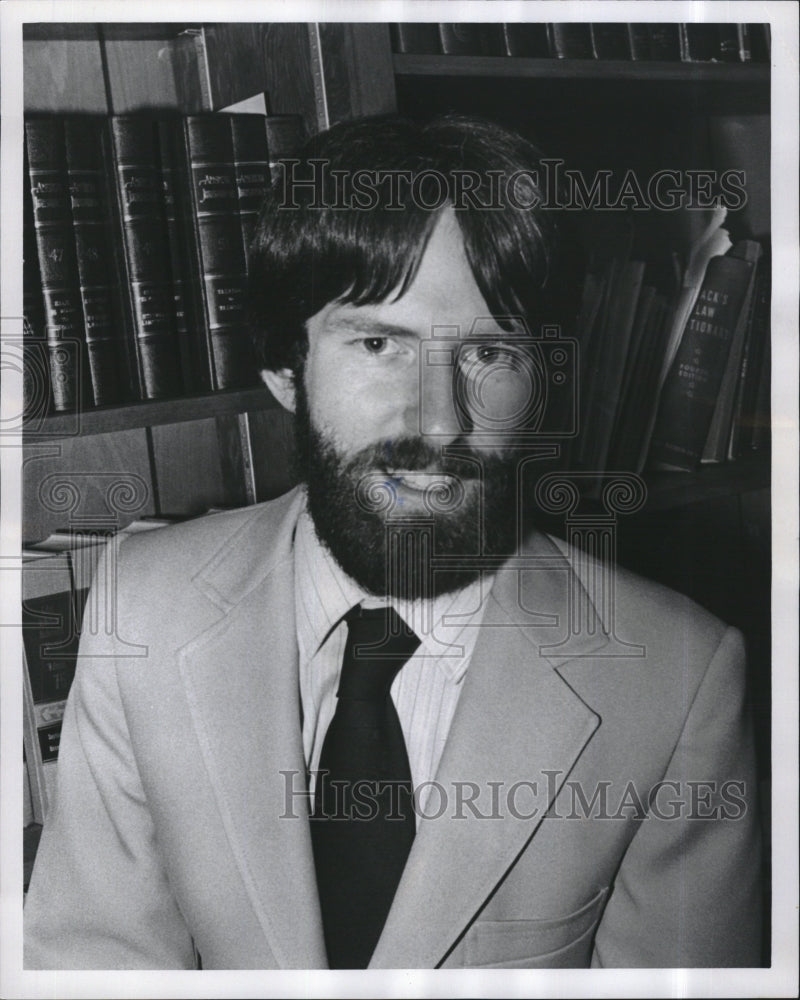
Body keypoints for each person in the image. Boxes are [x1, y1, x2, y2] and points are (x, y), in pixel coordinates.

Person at [24, 114, 762, 970]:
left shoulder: (679, 679)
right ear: (284, 369)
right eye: (380, 344)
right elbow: (93, 965)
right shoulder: (140, 606)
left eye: (490, 351)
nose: (441, 421)